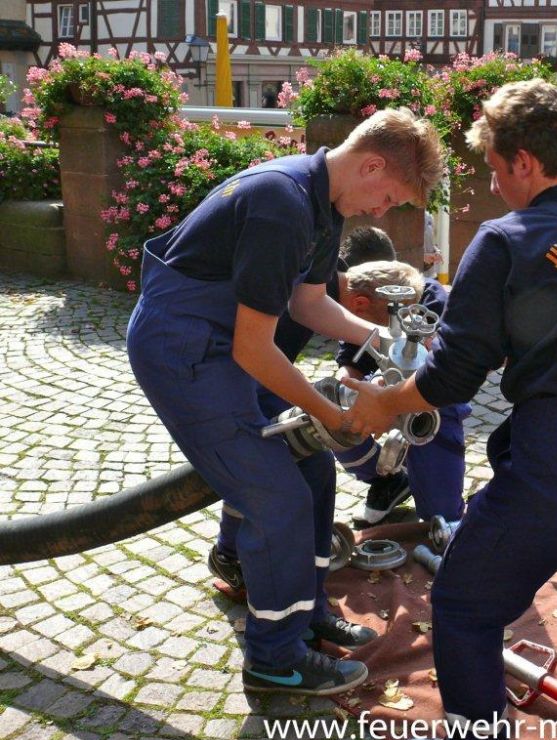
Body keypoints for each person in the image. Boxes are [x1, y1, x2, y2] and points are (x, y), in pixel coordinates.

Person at [344, 79, 557, 740]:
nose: (497, 187)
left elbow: (452, 376)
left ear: (524, 161)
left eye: (498, 170)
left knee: (466, 608)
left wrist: (387, 402)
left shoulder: (507, 240)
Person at [126, 107, 444, 696]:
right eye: (392, 196)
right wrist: (336, 415)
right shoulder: (282, 203)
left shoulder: (323, 204)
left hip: (223, 341)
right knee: (276, 498)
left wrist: (382, 341)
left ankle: (302, 614)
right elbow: (254, 350)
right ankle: (273, 661)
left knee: (314, 469)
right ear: (371, 165)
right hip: (185, 348)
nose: (384, 212)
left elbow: (309, 307)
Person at [207, 227, 409, 593]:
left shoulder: (331, 275)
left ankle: (303, 574)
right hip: (238, 375)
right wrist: (323, 410)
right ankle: (229, 554)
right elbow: (258, 353)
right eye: (379, 320)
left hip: (262, 372)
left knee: (311, 467)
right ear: (362, 305)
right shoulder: (317, 276)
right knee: (261, 465)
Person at [335, 261, 471, 527]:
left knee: (440, 518)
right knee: (335, 419)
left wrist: (391, 399)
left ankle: (441, 503)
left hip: (429, 399)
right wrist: (345, 396)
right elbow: (349, 365)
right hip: (384, 392)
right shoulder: (364, 309)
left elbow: (446, 373)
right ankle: (389, 481)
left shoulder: (432, 301)